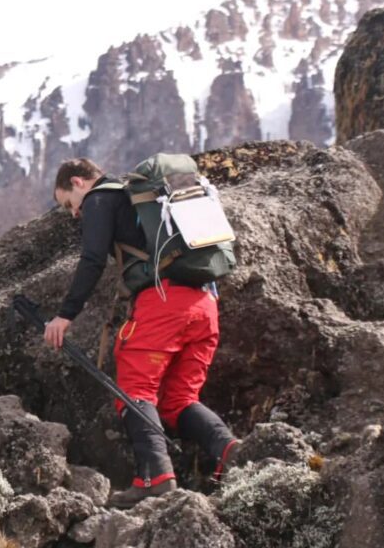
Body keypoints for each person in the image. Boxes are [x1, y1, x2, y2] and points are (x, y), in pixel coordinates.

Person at [44, 157, 239, 508]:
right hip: (205, 302)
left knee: (135, 390)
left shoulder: (100, 199)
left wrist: (64, 316)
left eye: (68, 204)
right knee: (179, 400)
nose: (74, 213)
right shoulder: (142, 198)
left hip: (163, 303)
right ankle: (229, 451)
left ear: (78, 182)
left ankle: (155, 478)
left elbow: (91, 259)